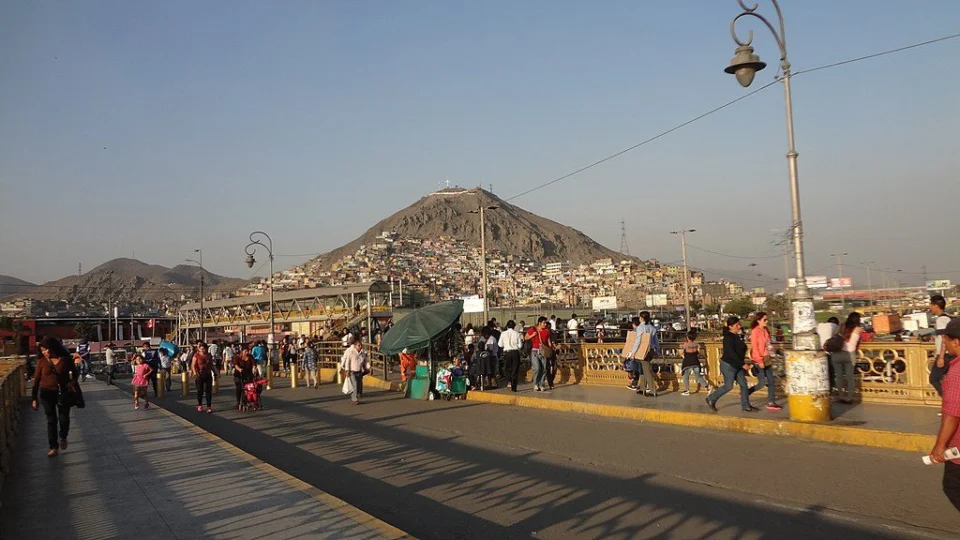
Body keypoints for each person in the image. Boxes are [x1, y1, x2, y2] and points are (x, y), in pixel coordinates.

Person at [929, 318, 960, 511]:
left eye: (946, 340)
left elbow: (953, 414)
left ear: (956, 341)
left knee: (952, 487)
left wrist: (940, 447)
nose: (945, 344)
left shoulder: (957, 372)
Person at [31, 337, 77, 457]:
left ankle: (63, 436)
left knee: (64, 418)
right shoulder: (41, 362)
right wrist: (34, 398)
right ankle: (53, 447)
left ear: (53, 348)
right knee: (51, 420)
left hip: (62, 392)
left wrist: (71, 383)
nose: (44, 352)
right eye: (42, 350)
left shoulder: (65, 360)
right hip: (46, 393)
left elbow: (75, 374)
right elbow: (36, 380)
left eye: (46, 349)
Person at [706, 316, 758, 412]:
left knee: (743, 384)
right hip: (729, 365)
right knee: (728, 386)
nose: (739, 327)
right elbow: (731, 353)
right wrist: (742, 364)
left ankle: (746, 405)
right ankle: (711, 398)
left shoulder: (736, 336)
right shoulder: (728, 337)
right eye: (737, 325)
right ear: (730, 326)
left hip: (738, 365)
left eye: (739, 324)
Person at [747, 312, 783, 411]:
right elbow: (755, 347)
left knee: (771, 381)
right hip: (759, 358)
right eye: (764, 320)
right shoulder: (755, 332)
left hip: (767, 357)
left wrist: (772, 350)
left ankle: (771, 402)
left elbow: (768, 343)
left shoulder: (765, 330)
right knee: (762, 383)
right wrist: (759, 361)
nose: (766, 321)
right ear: (758, 321)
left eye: (767, 319)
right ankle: (746, 392)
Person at [833, 312, 862, 404]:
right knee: (850, 377)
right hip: (850, 355)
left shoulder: (842, 326)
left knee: (839, 376)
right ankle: (849, 398)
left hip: (837, 353)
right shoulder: (858, 329)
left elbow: (834, 334)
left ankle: (841, 396)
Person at [930, 295, 953, 397]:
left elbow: (944, 338)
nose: (930, 307)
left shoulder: (941, 320)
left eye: (931, 305)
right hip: (950, 354)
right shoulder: (947, 318)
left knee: (934, 379)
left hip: (945, 355)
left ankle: (949, 400)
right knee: (949, 380)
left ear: (936, 306)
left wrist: (941, 357)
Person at [634, 312, 660, 397]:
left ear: (641, 318)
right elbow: (656, 341)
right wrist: (658, 351)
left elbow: (638, 341)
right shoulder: (652, 328)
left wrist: (633, 352)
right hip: (651, 350)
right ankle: (642, 388)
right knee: (643, 369)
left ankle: (653, 390)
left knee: (646, 370)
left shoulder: (640, 328)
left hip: (643, 350)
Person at [524, 317, 552, 392]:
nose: (545, 324)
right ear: (539, 323)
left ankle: (541, 384)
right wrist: (532, 335)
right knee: (537, 368)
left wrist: (550, 348)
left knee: (544, 368)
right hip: (535, 351)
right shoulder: (533, 330)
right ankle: (536, 384)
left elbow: (548, 341)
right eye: (544, 323)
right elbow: (526, 338)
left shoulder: (547, 331)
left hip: (543, 351)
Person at [680, 330, 710, 395]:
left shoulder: (685, 344)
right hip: (696, 361)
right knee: (698, 376)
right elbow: (698, 352)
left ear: (688, 337)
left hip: (688, 362)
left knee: (685, 376)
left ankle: (687, 390)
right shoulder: (697, 344)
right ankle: (708, 387)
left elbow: (681, 352)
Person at [499, 320, 523, 392]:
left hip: (507, 352)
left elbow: (500, 344)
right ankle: (514, 387)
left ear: (507, 326)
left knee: (507, 368)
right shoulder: (517, 334)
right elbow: (520, 345)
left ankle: (509, 380)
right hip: (515, 352)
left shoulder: (503, 334)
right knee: (515, 369)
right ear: (514, 326)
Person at [191, 342, 215, 413]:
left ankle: (209, 407)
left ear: (206, 349)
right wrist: (195, 372)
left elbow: (211, 365)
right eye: (201, 349)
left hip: (208, 375)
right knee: (200, 391)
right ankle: (200, 405)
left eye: (204, 349)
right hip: (199, 375)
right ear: (199, 349)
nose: (202, 350)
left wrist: (216, 372)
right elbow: (193, 365)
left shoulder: (209, 355)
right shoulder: (196, 355)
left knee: (208, 391)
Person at [340, 339, 365, 405]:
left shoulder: (362, 353)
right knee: (355, 384)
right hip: (352, 372)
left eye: (361, 345)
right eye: (358, 345)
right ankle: (354, 399)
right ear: (355, 346)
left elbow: (365, 361)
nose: (360, 346)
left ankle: (356, 396)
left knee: (359, 385)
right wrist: (347, 370)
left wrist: (368, 367)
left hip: (359, 371)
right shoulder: (351, 352)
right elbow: (347, 361)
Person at [233, 345, 255, 410]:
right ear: (242, 351)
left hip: (248, 375)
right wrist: (239, 369)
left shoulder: (250, 357)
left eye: (248, 351)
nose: (247, 352)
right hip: (239, 375)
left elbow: (254, 364)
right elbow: (235, 365)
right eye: (245, 351)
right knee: (239, 388)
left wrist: (254, 368)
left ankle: (245, 401)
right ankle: (238, 402)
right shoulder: (237, 357)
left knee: (247, 388)